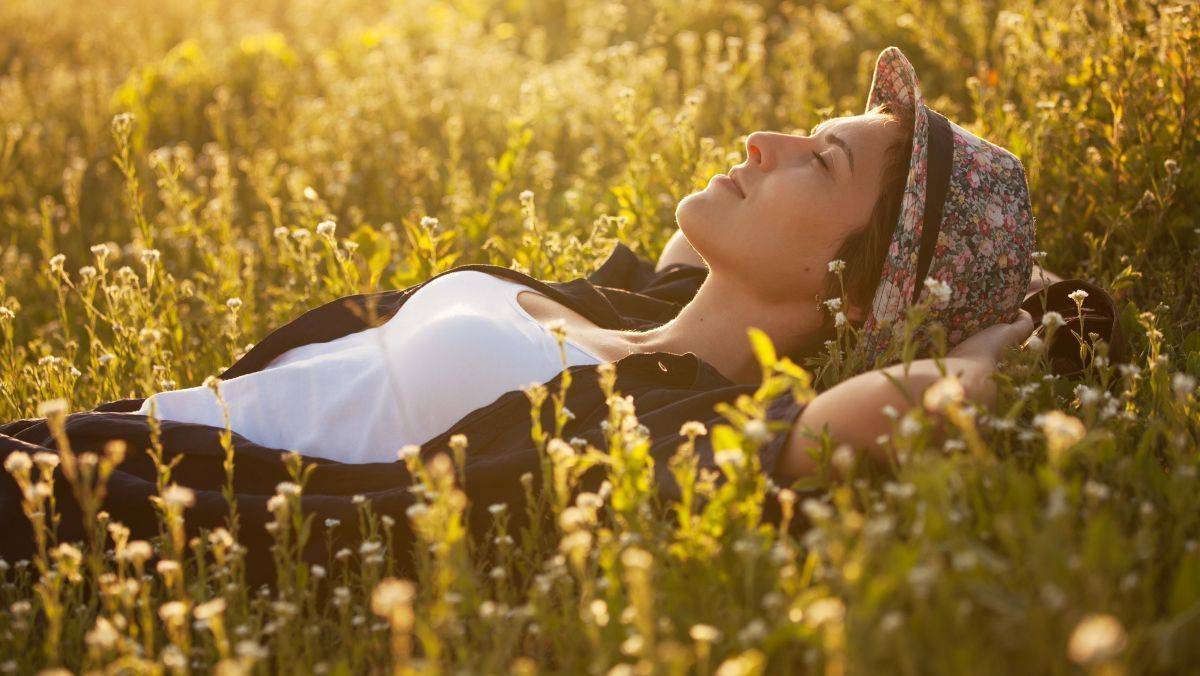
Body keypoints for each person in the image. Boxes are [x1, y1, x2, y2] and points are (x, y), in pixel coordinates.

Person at [0, 46, 1049, 577]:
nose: (760, 145)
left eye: (818, 161)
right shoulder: (654, 301)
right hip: (86, 434)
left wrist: (999, 331)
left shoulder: (671, 432)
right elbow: (702, 249)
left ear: (857, 292)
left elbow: (920, 398)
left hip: (88, 517)